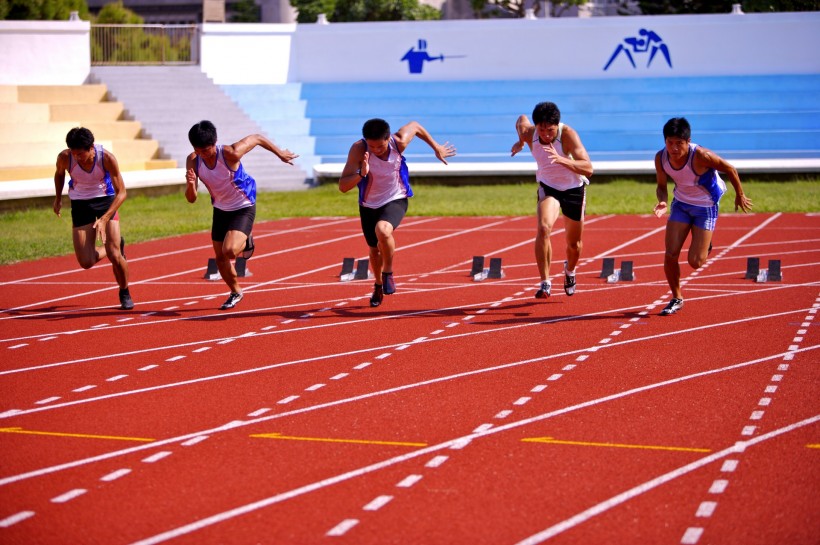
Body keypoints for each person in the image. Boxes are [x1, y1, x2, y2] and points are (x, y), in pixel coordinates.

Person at [339, 118, 456, 307]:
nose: (376, 150)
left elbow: (416, 126)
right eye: (372, 146)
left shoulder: (398, 141)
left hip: (396, 197)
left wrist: (436, 147)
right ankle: (378, 284)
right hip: (368, 204)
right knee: (373, 249)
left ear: (388, 138)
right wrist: (361, 174)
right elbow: (343, 186)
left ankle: (389, 272)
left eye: (380, 146)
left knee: (383, 230)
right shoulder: (358, 150)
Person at [186, 120, 298, 310]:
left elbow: (257, 138)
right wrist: (190, 184)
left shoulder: (230, 153)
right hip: (220, 208)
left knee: (229, 251)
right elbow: (191, 198)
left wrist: (280, 154)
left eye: (207, 150)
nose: (203, 155)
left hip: (243, 205)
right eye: (199, 151)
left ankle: (246, 240)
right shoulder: (193, 160)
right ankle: (236, 292)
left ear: (215, 143)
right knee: (220, 258)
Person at [653, 117, 753, 316]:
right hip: (680, 204)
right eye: (670, 143)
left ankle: (705, 245)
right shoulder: (660, 158)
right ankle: (676, 297)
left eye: (679, 144)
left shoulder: (701, 156)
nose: (674, 148)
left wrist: (740, 194)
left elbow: (730, 169)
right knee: (670, 254)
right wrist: (663, 201)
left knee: (695, 262)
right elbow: (662, 187)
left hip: (706, 206)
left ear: (688, 141)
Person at [511, 102, 593, 299]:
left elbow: (588, 168)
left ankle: (570, 271)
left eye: (550, 130)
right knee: (543, 228)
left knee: (574, 245)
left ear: (557, 126)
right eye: (542, 130)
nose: (546, 135)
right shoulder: (529, 132)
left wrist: (561, 159)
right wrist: (521, 142)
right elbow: (521, 119)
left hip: (573, 189)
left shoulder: (568, 135)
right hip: (549, 188)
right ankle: (545, 282)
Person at [53, 127, 134, 310]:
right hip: (80, 203)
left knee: (115, 255)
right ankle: (116, 245)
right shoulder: (65, 157)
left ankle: (124, 291)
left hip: (105, 200)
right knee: (86, 262)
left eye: (80, 154)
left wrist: (105, 218)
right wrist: (58, 198)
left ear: (91, 148)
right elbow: (59, 174)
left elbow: (122, 193)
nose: (77, 157)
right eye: (74, 153)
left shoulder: (106, 158)